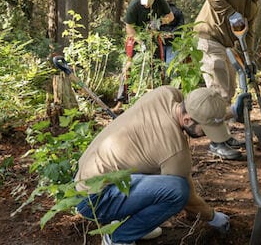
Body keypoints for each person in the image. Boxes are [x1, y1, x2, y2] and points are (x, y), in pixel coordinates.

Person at [75, 86, 237, 245]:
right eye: (205, 130)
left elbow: (202, 114)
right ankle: (119, 237)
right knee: (177, 191)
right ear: (187, 120)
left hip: (86, 176)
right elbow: (190, 202)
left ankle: (132, 224)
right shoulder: (175, 151)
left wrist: (233, 111)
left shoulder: (167, 94)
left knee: (159, 173)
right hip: (95, 201)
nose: (206, 136)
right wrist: (213, 217)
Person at [194, 0, 261, 159]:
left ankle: (223, 136)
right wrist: (230, 12)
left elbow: (248, 32)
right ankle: (216, 143)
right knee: (218, 92)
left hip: (226, 45)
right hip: (208, 37)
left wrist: (248, 59)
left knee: (229, 90)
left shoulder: (253, 6)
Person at [115, 0, 174, 106]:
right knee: (129, 66)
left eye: (149, 2)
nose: (146, 5)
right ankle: (121, 100)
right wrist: (140, 42)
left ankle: (157, 100)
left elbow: (170, 16)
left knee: (157, 66)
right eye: (145, 2)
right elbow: (129, 28)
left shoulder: (160, 2)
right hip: (136, 38)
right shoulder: (134, 6)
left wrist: (159, 22)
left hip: (153, 37)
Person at [160, 0, 185, 71]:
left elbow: (155, 25)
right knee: (171, 64)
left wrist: (162, 34)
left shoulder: (160, 12)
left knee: (160, 64)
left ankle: (162, 81)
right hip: (173, 42)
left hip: (161, 41)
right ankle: (170, 82)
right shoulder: (178, 11)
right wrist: (172, 33)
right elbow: (180, 26)